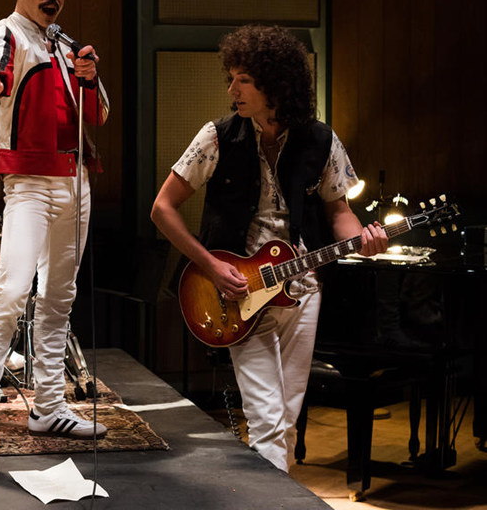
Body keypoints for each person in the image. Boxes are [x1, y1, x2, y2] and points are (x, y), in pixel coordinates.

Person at [150, 24, 389, 472]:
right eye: (231, 78)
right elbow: (162, 209)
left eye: (243, 80)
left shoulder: (321, 140)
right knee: (267, 420)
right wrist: (211, 266)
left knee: (287, 419)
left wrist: (364, 240)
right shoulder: (216, 137)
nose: (232, 90)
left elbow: (339, 211)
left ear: (276, 84)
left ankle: (277, 496)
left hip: (302, 290)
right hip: (240, 292)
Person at [0, 0, 111, 481]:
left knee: (58, 297)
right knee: (11, 293)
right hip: (29, 181)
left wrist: (89, 76)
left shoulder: (66, 42)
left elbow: (99, 114)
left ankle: (49, 407)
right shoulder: (4, 33)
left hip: (76, 179)